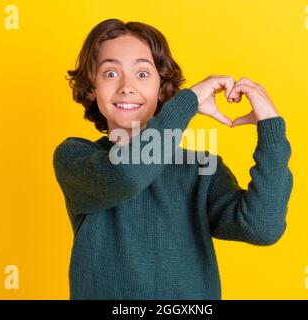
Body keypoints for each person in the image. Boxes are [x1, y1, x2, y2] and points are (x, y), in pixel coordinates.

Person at [53, 18, 293, 300]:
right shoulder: (76, 156)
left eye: (142, 74)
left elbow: (261, 227)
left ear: (161, 86)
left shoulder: (201, 168)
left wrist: (271, 130)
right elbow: (127, 175)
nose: (127, 86)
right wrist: (188, 102)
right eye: (110, 73)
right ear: (92, 88)